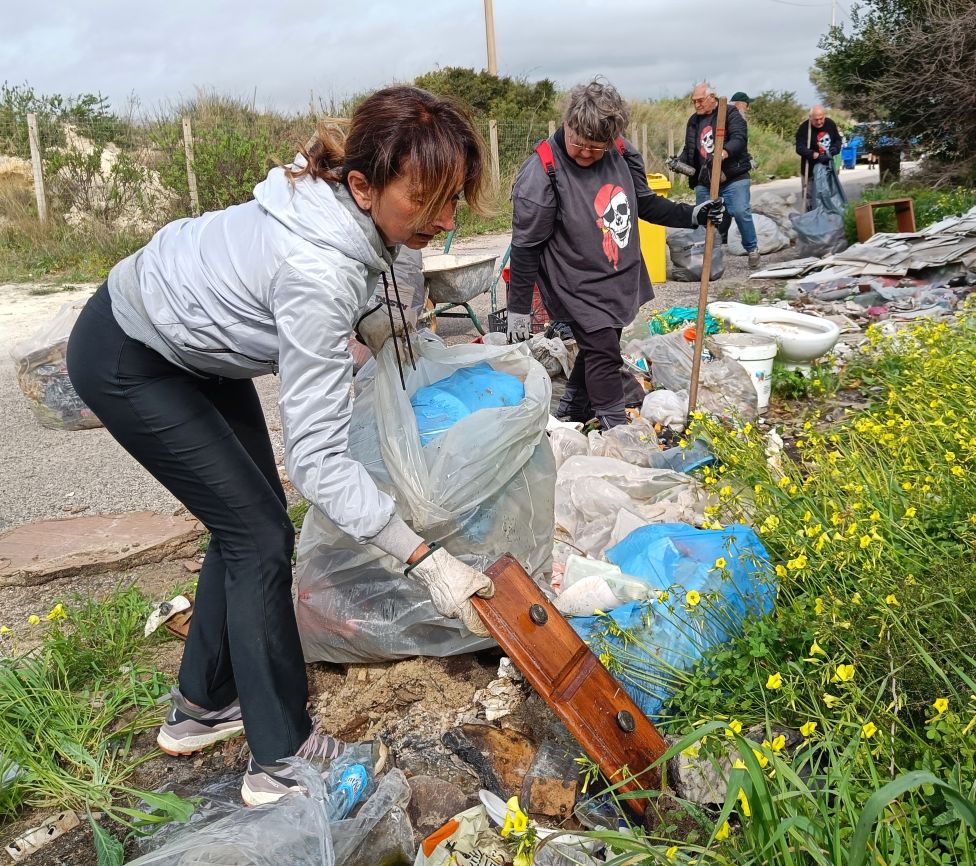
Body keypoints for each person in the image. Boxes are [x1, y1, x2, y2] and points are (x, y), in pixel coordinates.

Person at [65, 86, 497, 807]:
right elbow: (319, 463)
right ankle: (281, 757)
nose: (445, 221)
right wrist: (425, 560)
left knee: (248, 518)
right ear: (361, 185)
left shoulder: (349, 215)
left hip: (194, 346)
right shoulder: (316, 271)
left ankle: (201, 707)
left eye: (453, 200)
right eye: (428, 203)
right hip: (131, 355)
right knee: (261, 535)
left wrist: (388, 320)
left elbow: (378, 274)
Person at [505, 79, 728, 429]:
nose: (585, 154)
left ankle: (573, 410)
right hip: (575, 283)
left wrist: (692, 214)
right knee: (604, 354)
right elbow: (525, 248)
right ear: (567, 124)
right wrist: (517, 309)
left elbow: (646, 203)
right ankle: (617, 429)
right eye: (579, 144)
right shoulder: (542, 173)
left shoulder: (621, 152)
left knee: (600, 348)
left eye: (596, 149)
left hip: (618, 276)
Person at [675, 82, 760, 269]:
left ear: (711, 98)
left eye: (700, 101)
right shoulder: (694, 121)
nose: (697, 105)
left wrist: (724, 152)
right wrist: (679, 162)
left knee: (739, 211)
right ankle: (709, 255)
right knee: (703, 217)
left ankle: (752, 249)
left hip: (733, 175)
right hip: (705, 178)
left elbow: (739, 138)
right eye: (694, 101)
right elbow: (691, 148)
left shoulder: (729, 113)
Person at [796, 104, 843, 208]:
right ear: (810, 117)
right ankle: (811, 217)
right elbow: (799, 148)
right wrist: (814, 155)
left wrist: (835, 148)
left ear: (824, 116)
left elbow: (838, 140)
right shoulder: (804, 128)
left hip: (828, 169)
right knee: (810, 197)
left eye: (821, 119)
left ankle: (830, 217)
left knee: (830, 195)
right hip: (810, 170)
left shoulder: (830, 124)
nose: (819, 122)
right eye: (815, 119)